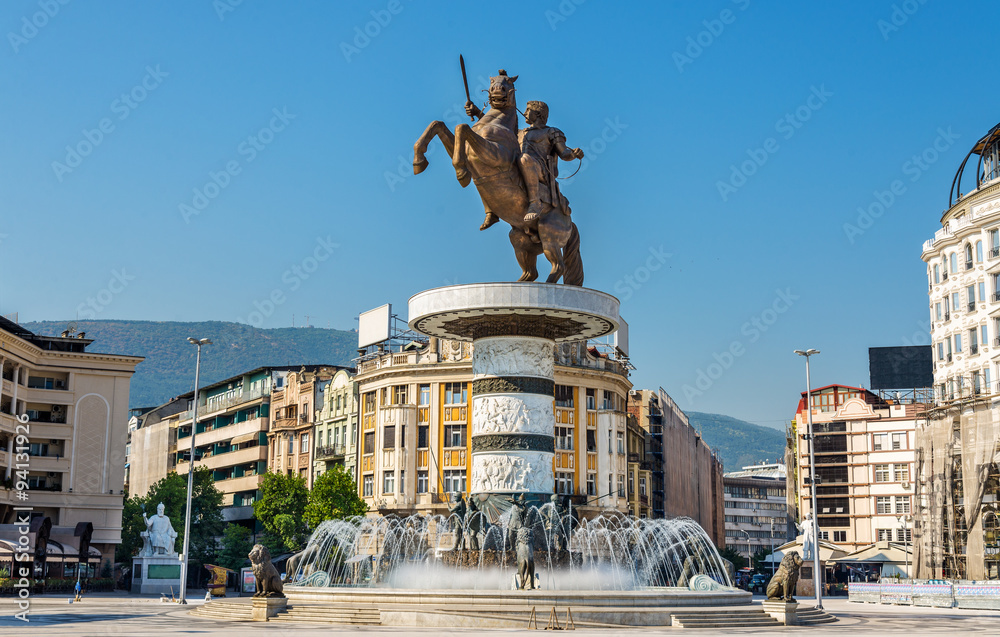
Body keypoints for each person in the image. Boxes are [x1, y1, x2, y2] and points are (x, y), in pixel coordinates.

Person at [516, 100, 584, 239]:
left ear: (538, 113)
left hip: (541, 170)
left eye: (528, 110)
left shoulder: (551, 132)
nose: (524, 113)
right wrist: (477, 112)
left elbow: (564, 153)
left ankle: (535, 203)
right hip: (521, 167)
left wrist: (574, 154)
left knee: (525, 159)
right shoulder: (520, 133)